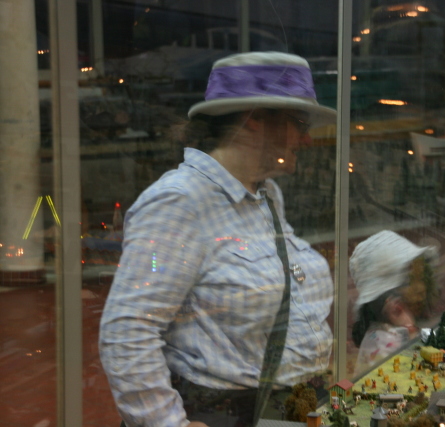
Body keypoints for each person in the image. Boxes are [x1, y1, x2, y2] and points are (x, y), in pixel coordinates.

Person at [99, 52, 336, 427]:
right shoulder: (179, 201)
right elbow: (129, 330)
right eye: (300, 123)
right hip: (230, 414)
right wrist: (166, 423)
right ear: (254, 118)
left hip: (288, 408)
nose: (307, 139)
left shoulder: (267, 195)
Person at [350, 230, 436, 373]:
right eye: (408, 280)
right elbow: (405, 373)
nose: (420, 288)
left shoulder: (393, 327)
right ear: (390, 300)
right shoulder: (382, 341)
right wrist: (411, 333)